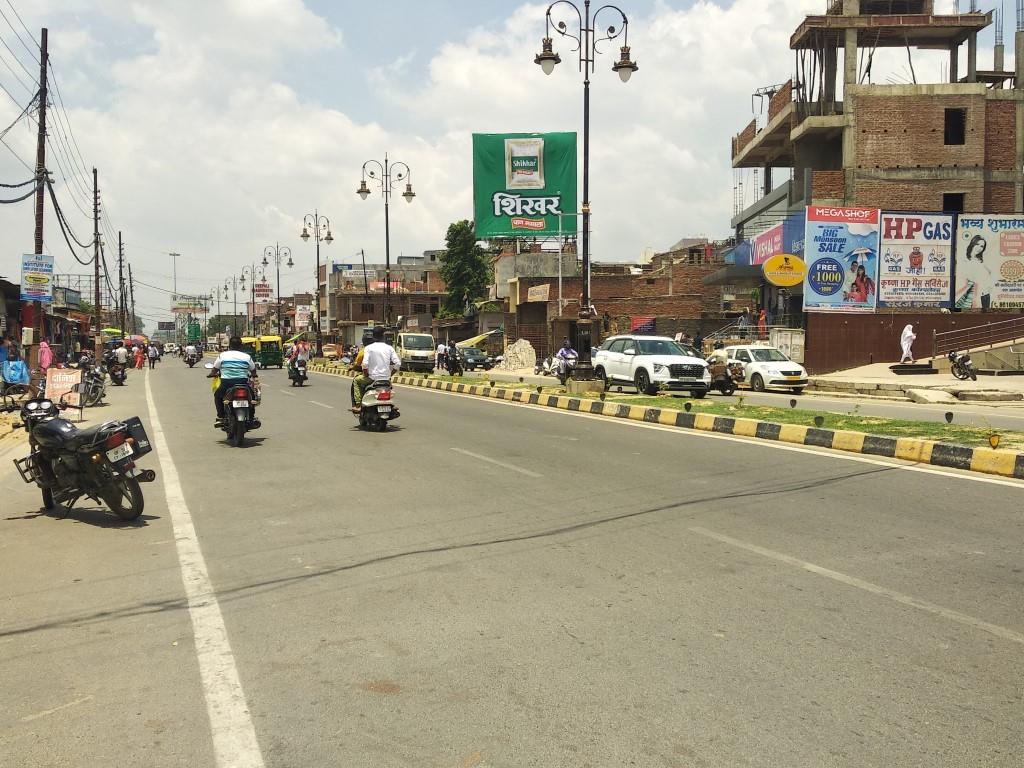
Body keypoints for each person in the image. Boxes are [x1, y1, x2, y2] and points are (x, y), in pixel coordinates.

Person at [209, 336, 257, 425]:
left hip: (226, 383)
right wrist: (253, 375)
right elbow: (253, 370)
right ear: (241, 346)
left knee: (218, 396)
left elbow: (215, 369)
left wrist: (212, 374)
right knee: (252, 397)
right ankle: (252, 417)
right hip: (243, 383)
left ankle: (221, 417)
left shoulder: (222, 355)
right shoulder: (247, 357)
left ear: (230, 346)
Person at [352, 326, 399, 412]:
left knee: (356, 381)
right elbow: (398, 363)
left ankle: (358, 405)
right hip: (386, 379)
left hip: (372, 379)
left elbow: (365, 364)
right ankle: (391, 405)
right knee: (389, 387)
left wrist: (366, 374)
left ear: (373, 336)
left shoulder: (368, 348)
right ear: (383, 336)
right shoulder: (389, 348)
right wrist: (390, 374)